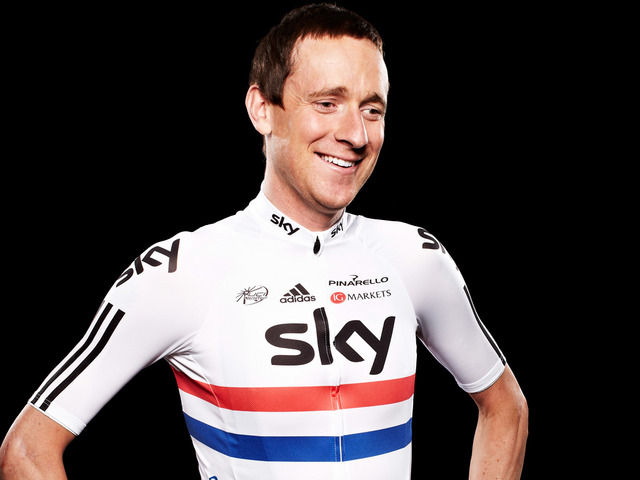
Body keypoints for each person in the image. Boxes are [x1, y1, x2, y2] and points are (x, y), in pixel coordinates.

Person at [0, 4, 527, 479]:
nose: (356, 135)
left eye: (372, 109)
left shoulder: (416, 258)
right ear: (262, 109)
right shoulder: (183, 270)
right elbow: (27, 450)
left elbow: (506, 407)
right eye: (327, 103)